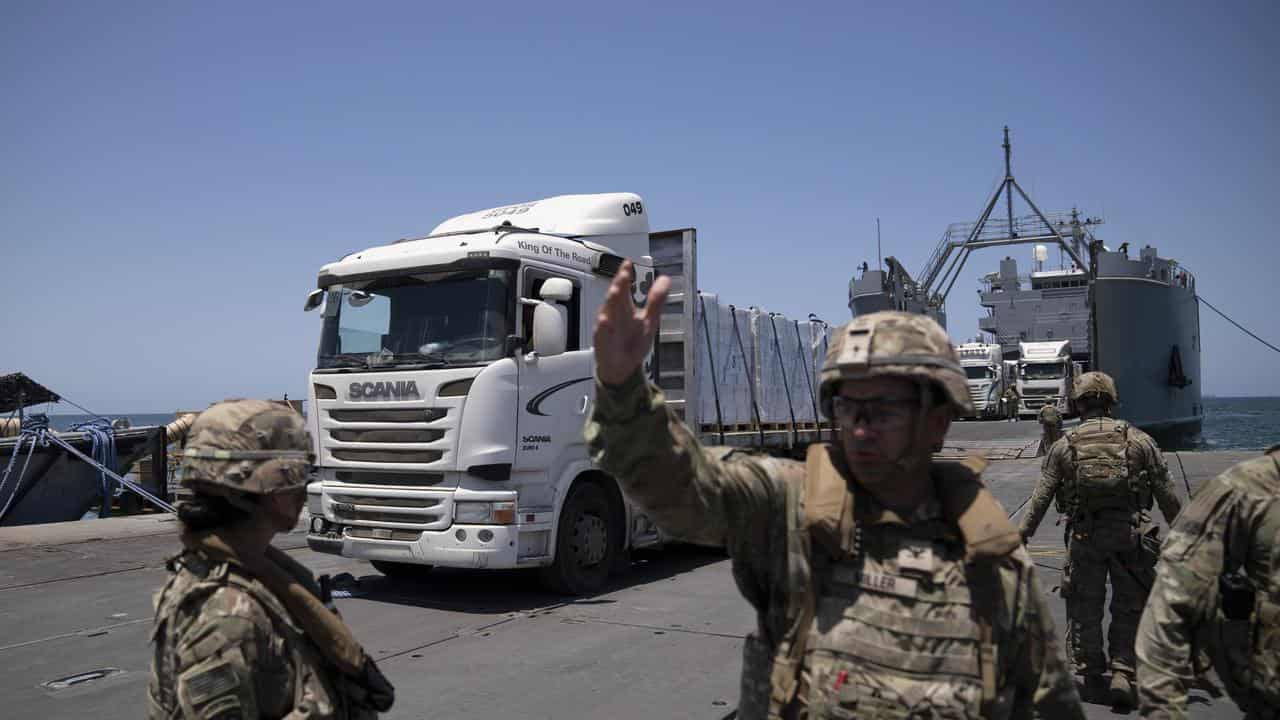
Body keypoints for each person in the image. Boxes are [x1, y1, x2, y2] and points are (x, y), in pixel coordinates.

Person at [586, 261, 1083, 719]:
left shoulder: (992, 560)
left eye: (883, 410)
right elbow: (682, 489)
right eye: (848, 409)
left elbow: (1047, 701)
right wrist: (624, 388)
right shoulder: (789, 506)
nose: (860, 429)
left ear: (937, 421)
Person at [148, 400, 394, 719]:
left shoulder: (254, 573)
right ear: (266, 486)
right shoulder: (227, 615)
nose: (305, 487)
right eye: (298, 473)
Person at [1016, 372, 1182, 708]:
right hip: (1132, 537)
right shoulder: (1140, 441)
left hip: (1085, 536)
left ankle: (1092, 674)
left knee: (1084, 608)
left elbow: (1041, 496)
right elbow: (1167, 496)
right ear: (1112, 400)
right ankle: (1122, 671)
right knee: (1129, 606)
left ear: (1077, 404)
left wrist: (1020, 536)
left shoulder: (1065, 445)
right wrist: (1187, 537)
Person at [1136, 447, 1280, 718]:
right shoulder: (1249, 487)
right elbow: (1162, 486)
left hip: (1092, 535)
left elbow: (1169, 609)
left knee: (1094, 604)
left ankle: (1103, 665)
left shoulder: (1246, 486)